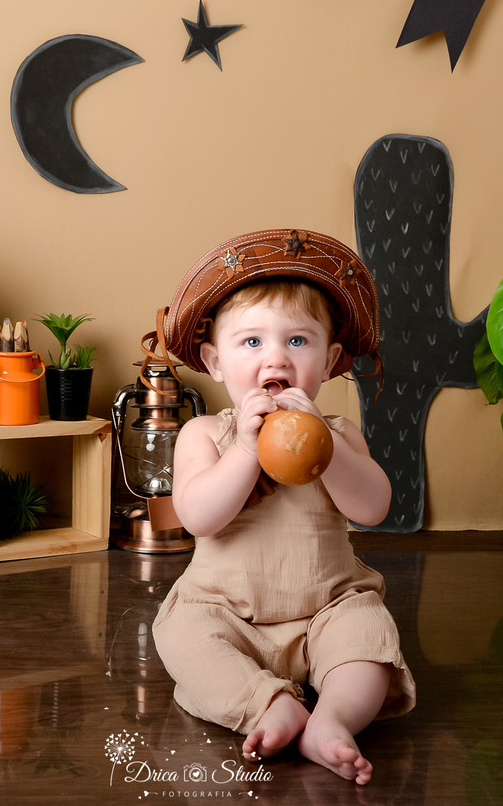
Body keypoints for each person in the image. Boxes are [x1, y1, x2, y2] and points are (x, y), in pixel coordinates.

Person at [149, 229, 416, 786]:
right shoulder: (204, 434)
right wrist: (247, 450)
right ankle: (269, 705)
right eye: (251, 343)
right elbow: (198, 515)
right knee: (183, 639)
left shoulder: (338, 433)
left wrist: (326, 445)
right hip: (225, 612)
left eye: (298, 341)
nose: (276, 357)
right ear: (213, 361)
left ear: (330, 358)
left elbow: (374, 506)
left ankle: (333, 719)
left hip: (326, 609)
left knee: (369, 637)